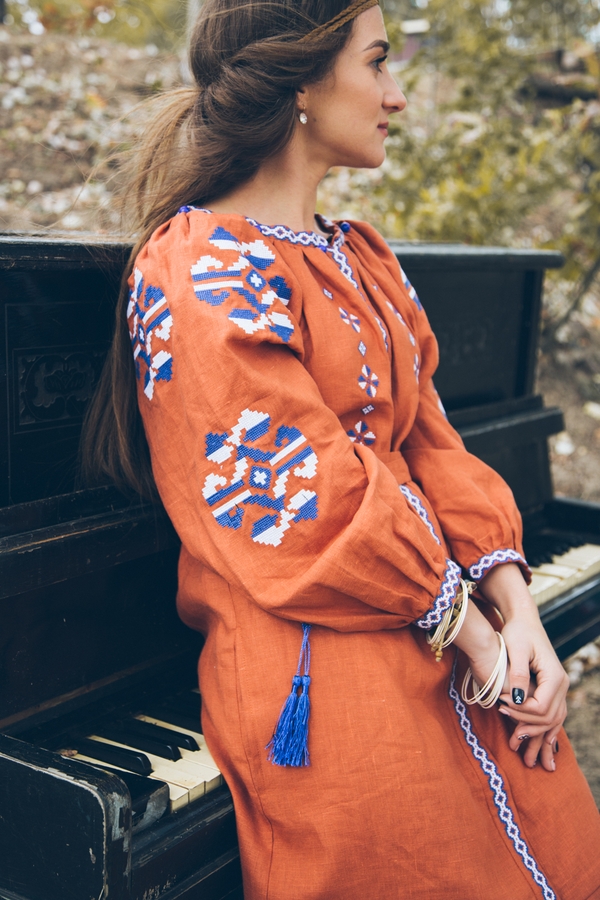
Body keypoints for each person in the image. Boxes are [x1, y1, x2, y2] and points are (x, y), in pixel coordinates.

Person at [83, 1, 600, 897]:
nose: (396, 95)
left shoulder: (362, 256)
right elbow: (299, 494)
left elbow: (435, 443)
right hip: (322, 659)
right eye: (378, 62)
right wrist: (476, 635)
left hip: (450, 625)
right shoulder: (198, 264)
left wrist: (520, 620)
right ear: (302, 85)